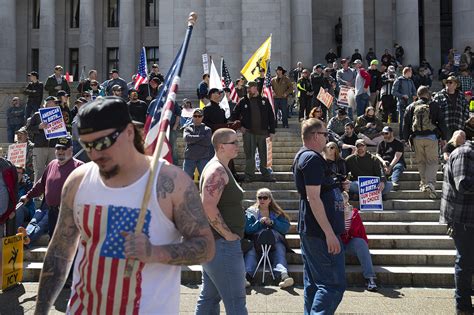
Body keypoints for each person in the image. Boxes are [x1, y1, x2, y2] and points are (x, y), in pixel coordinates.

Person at [34, 97, 214, 314]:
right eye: (87, 145)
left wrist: (155, 253)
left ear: (129, 132)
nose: (95, 154)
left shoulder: (170, 183)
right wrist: (40, 311)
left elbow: (206, 246)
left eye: (102, 143)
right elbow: (59, 252)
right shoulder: (78, 180)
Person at [292, 118, 345, 314]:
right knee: (332, 285)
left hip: (312, 229)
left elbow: (317, 192)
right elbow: (313, 198)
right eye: (325, 134)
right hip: (319, 232)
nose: (327, 138)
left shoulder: (305, 157)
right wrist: (329, 233)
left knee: (314, 284)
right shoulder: (312, 158)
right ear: (315, 136)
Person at [195, 128, 247, 315]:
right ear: (221, 146)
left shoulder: (219, 167)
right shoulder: (217, 169)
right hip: (222, 245)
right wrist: (228, 235)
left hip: (216, 244)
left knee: (209, 298)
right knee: (236, 303)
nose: (237, 146)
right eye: (234, 142)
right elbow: (208, 206)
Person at [19, 136, 83, 239]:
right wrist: (28, 196)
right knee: (53, 241)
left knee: (67, 245)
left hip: (70, 214)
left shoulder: (79, 167)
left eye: (64, 148)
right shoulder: (52, 164)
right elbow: (41, 184)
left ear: (71, 150)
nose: (60, 151)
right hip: (52, 212)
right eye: (58, 148)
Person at [439, 140, 474, 315]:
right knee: (465, 262)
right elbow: (464, 184)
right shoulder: (465, 154)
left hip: (468, 217)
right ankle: (463, 306)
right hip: (463, 219)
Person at [244, 188, 294, 289]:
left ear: (270, 199)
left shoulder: (277, 213)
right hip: (256, 243)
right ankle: (245, 278)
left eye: (265, 197)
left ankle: (283, 277)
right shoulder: (251, 212)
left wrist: (272, 222)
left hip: (274, 243)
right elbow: (248, 229)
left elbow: (285, 228)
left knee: (279, 250)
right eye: (259, 197)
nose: (262, 199)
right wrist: (259, 223)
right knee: (251, 253)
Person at [403, 85, 447, 199]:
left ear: (417, 95)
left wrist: (406, 138)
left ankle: (424, 184)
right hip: (431, 137)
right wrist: (444, 137)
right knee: (432, 161)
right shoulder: (433, 105)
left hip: (416, 138)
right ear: (428, 94)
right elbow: (441, 121)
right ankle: (430, 184)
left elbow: (406, 124)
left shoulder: (411, 106)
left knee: (421, 162)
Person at [232, 81, 276, 182]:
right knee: (249, 155)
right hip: (248, 132)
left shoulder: (264, 100)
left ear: (256, 88)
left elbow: (271, 116)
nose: (247, 89)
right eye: (247, 88)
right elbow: (234, 115)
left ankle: (266, 175)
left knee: (265, 156)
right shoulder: (243, 101)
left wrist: (272, 131)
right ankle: (249, 176)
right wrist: (240, 126)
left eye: (249, 87)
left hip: (264, 133)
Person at [340, 191, 378, 292]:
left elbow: (359, 234)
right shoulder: (331, 212)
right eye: (339, 203)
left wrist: (348, 218)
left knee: (360, 243)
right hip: (335, 243)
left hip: (348, 243)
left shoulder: (354, 213)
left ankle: (370, 278)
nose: (342, 205)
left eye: (343, 203)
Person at [26, 96, 58, 183]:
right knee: (39, 172)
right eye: (50, 103)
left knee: (52, 171)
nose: (52, 105)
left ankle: (49, 193)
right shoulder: (37, 115)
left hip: (53, 147)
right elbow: (28, 129)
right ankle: (36, 196)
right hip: (39, 147)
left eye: (54, 103)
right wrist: (39, 127)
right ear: (45, 104)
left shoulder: (58, 115)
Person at [433, 75, 470, 140]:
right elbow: (434, 111)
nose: (448, 84)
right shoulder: (438, 95)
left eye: (450, 82)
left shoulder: (461, 96)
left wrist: (463, 121)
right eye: (447, 82)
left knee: (457, 148)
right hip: (444, 127)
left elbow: (466, 109)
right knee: (446, 148)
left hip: (458, 126)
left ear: (455, 85)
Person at [182, 108, 212, 179]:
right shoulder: (187, 128)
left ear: (202, 117)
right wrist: (201, 137)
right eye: (195, 116)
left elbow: (207, 142)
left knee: (206, 179)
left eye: (199, 116)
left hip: (203, 158)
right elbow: (187, 138)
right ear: (192, 117)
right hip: (189, 158)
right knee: (185, 180)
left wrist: (193, 139)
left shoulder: (207, 129)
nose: (197, 118)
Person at [392, 67, 417, 136]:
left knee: (411, 120)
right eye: (411, 72)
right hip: (402, 103)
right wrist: (402, 95)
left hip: (410, 103)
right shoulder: (399, 80)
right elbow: (393, 92)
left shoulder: (410, 81)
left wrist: (415, 95)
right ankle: (402, 136)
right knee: (402, 120)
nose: (411, 74)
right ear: (407, 72)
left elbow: (414, 91)